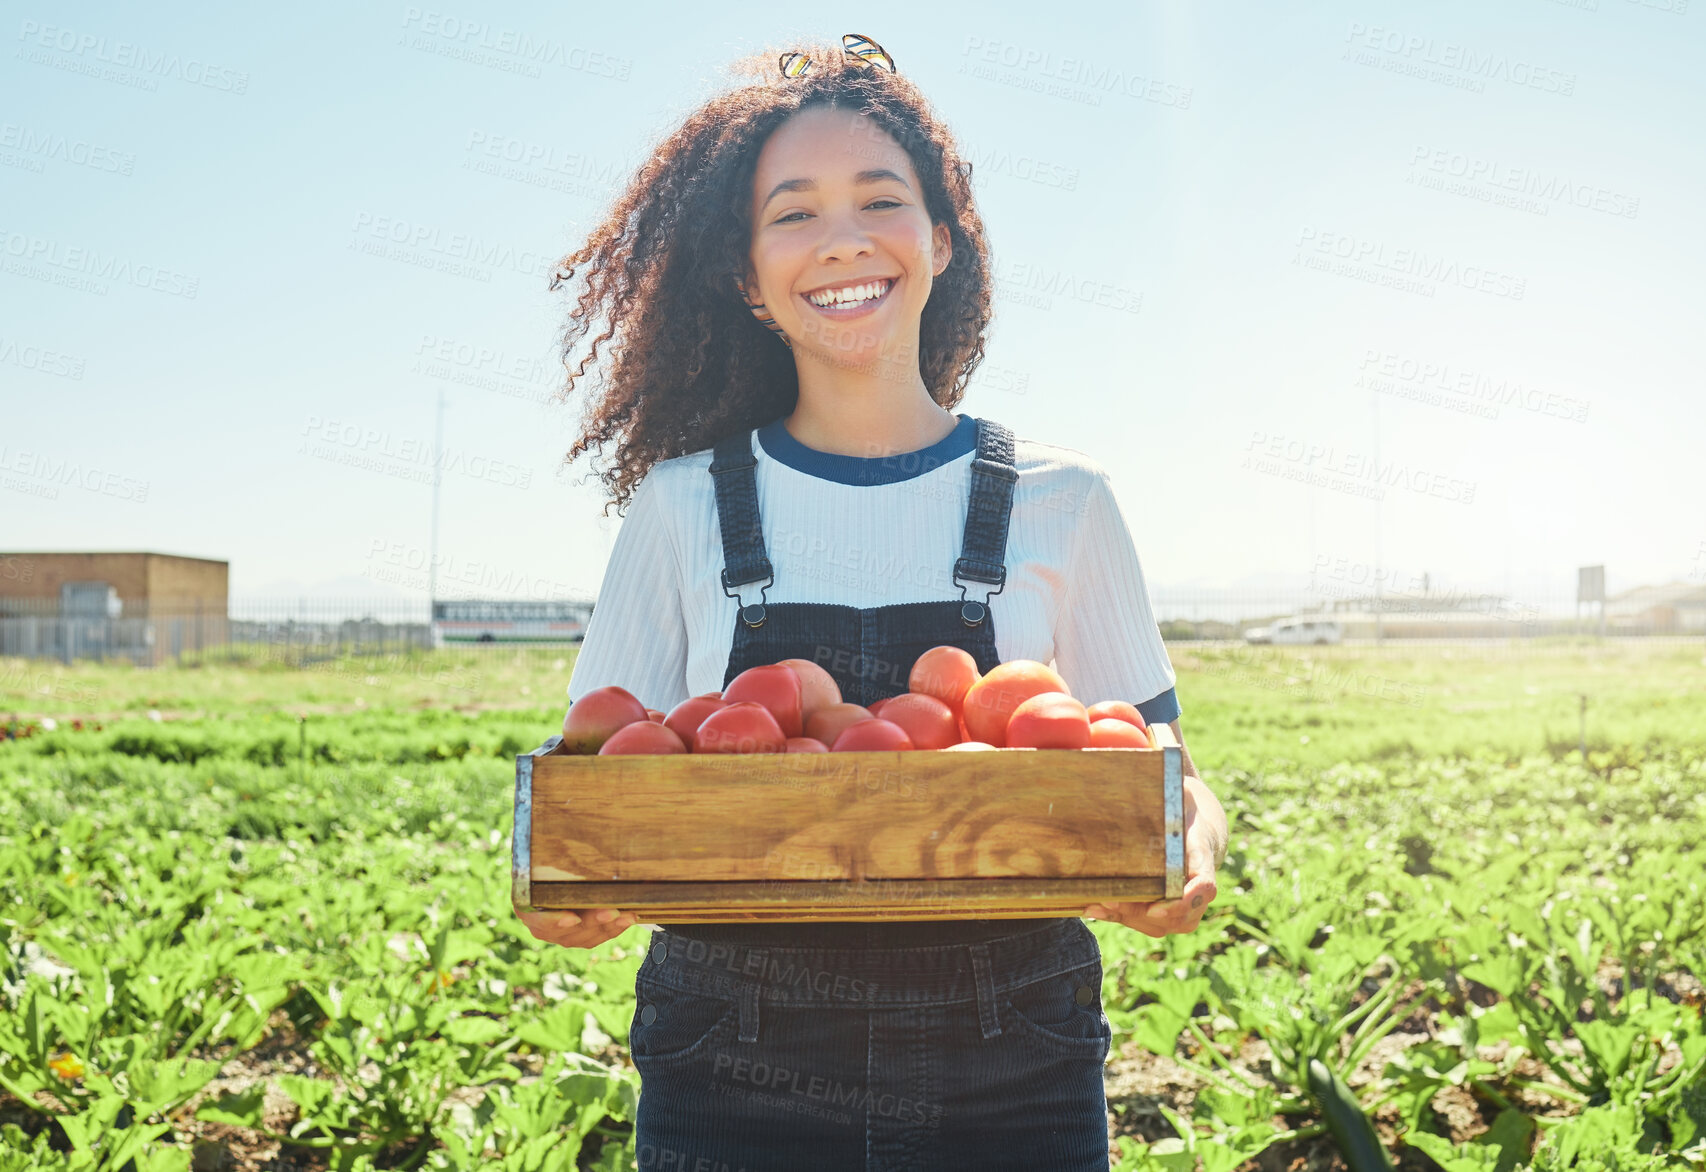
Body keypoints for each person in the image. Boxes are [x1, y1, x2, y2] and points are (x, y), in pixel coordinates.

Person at [516, 33, 1230, 1170]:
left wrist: (1183, 844)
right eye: (791, 212)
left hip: (1014, 1049)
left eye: (878, 200)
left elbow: (1161, 766)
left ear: (942, 242)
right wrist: (575, 882)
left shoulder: (1065, 500)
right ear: (747, 278)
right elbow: (604, 767)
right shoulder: (680, 507)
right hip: (731, 1052)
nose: (841, 237)